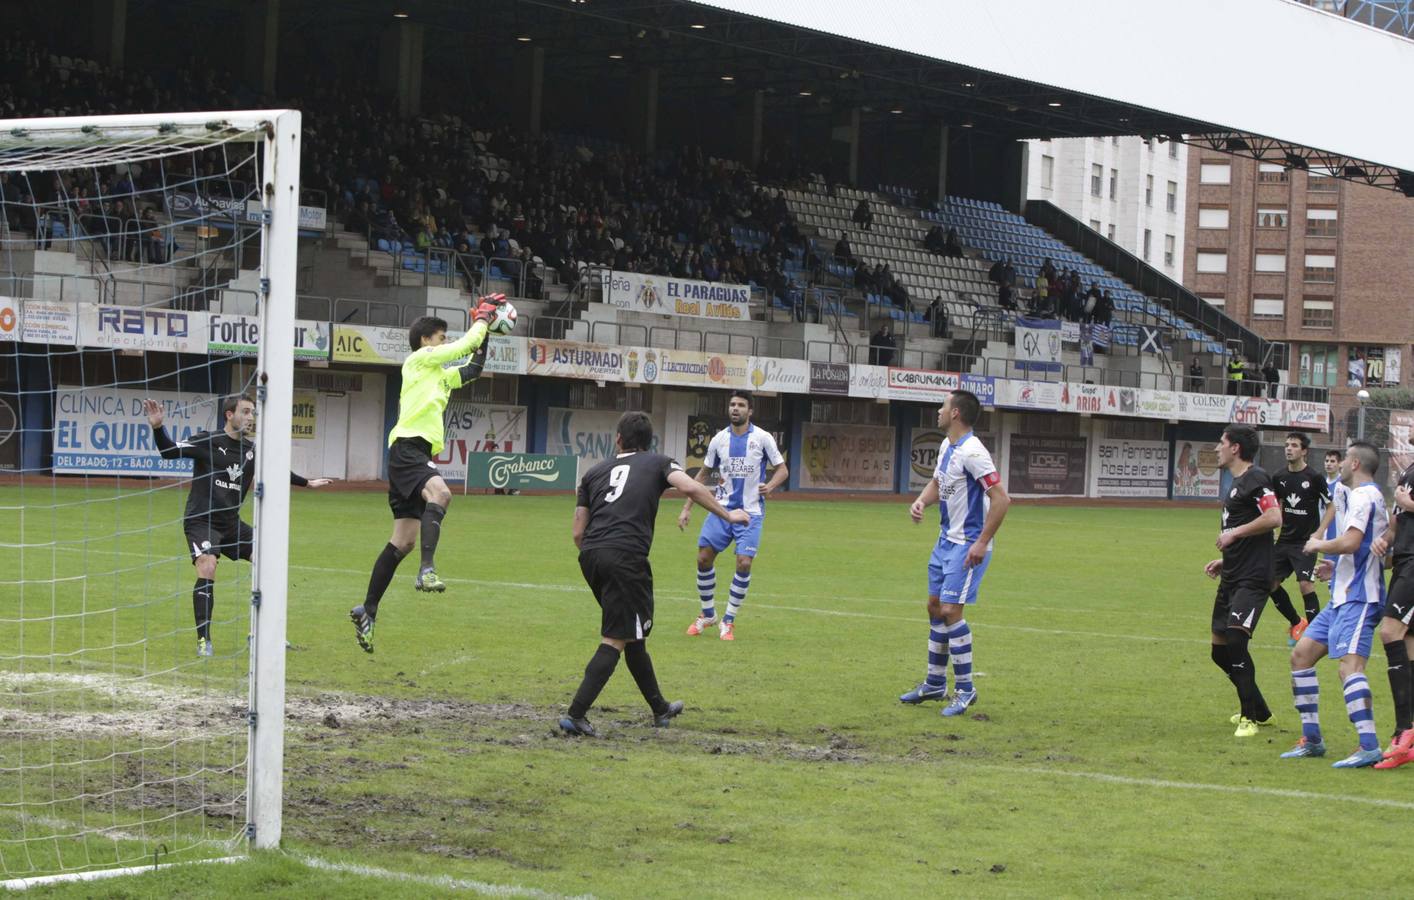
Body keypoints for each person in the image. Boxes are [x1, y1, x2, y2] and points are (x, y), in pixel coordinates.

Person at [560, 411, 749, 736]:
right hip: (625, 558)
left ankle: (659, 708)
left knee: (632, 633)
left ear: (617, 439)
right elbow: (692, 487)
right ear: (650, 443)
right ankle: (576, 714)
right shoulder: (659, 463)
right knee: (617, 637)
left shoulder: (593, 473)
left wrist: (600, 556)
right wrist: (728, 515)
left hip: (591, 555)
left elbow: (578, 532)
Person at [349, 294, 508, 653]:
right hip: (408, 448)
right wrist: (482, 318)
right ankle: (427, 571)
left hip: (413, 452)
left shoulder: (439, 376)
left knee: (402, 541)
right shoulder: (420, 360)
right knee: (442, 494)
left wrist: (490, 333)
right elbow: (466, 344)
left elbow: (472, 369)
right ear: (426, 341)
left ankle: (367, 610)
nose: (444, 342)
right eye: (440, 337)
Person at [145, 394, 330, 657]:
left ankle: (263, 634)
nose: (250, 418)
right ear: (229, 415)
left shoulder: (251, 451)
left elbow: (277, 470)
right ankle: (203, 640)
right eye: (245, 412)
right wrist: (157, 427)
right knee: (207, 565)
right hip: (202, 520)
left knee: (270, 564)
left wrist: (307, 483)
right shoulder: (208, 441)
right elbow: (168, 451)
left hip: (231, 524)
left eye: (253, 413)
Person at [899, 390, 1011, 717]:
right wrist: (921, 501)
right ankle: (935, 684)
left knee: (950, 610)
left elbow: (1001, 499)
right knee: (934, 607)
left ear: (956, 413)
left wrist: (981, 542)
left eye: (944, 406)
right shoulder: (948, 445)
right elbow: (937, 483)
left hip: (968, 544)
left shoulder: (975, 452)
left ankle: (965, 690)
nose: (939, 410)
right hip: (945, 541)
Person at [1281, 441, 1388, 768]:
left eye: (1343, 458)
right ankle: (1312, 739)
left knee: (1349, 669)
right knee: (1301, 655)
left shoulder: (1364, 496)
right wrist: (1335, 565)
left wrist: (1317, 544)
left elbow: (1353, 542)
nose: (1338, 463)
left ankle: (1369, 745)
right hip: (1341, 596)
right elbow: (1360, 548)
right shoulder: (1359, 495)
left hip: (1361, 597)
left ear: (1354, 463)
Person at [678, 391, 789, 641]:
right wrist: (687, 507)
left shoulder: (762, 438)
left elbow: (782, 470)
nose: (735, 408)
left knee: (744, 563)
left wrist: (770, 487)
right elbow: (702, 476)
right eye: (732, 405)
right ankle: (708, 615)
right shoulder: (719, 440)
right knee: (703, 558)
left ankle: (728, 620)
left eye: (740, 405)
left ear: (750, 411)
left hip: (751, 513)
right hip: (722, 510)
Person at [1202, 424, 1281, 738]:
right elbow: (1252, 529)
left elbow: (1274, 517)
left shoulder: (1256, 478)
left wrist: (1234, 533)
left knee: (1236, 642)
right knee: (1219, 651)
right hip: (1233, 574)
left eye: (1221, 442)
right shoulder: (1237, 484)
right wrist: (1226, 560)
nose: (1217, 447)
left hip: (1252, 578)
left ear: (1235, 448)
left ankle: (1249, 717)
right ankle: (1261, 710)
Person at [1268, 433, 1330, 646]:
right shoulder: (1278, 477)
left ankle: (1316, 634)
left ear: (1304, 451)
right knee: (1269, 583)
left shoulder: (1314, 477)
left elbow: (1331, 506)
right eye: (1286, 445)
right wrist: (1273, 528)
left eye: (1294, 445)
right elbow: (1275, 505)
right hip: (1284, 540)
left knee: (1305, 585)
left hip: (1305, 542)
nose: (1288, 448)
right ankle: (1296, 622)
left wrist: (1319, 532)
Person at [1372, 466, 1414, 768]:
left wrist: (1409, 503)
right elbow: (1400, 520)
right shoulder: (1410, 469)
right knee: (1409, 645)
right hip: (1403, 559)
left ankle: (1403, 730)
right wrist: (1386, 538)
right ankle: (1408, 739)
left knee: (1389, 632)